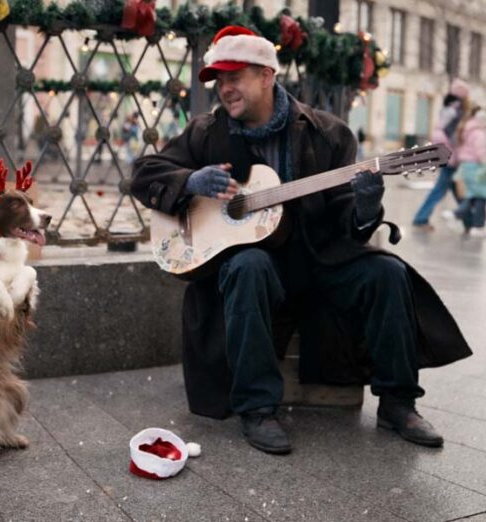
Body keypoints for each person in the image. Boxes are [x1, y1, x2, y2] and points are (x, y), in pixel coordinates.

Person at [130, 26, 472, 455]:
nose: (225, 89)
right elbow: (143, 173)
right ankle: (256, 408)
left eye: (235, 76)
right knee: (247, 266)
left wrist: (366, 208)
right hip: (257, 270)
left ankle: (398, 403)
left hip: (318, 259)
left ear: (267, 76)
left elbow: (348, 220)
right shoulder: (206, 133)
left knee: (386, 272)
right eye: (219, 80)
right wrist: (188, 181)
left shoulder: (328, 133)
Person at [412, 79, 470, 230]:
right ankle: (420, 218)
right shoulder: (455, 112)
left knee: (456, 189)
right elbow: (454, 138)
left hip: (446, 156)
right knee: (442, 189)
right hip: (451, 157)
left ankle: (468, 220)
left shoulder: (448, 109)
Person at [454, 107, 486, 237]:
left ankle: (460, 214)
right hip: (476, 167)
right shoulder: (479, 134)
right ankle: (474, 224)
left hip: (467, 166)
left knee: (474, 195)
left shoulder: (468, 130)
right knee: (480, 196)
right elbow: (481, 151)